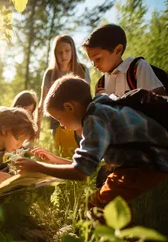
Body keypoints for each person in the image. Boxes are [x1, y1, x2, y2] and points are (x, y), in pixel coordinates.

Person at [16, 75, 168, 207]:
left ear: (69, 107)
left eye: (60, 119)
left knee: (98, 205)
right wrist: (53, 159)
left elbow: (81, 172)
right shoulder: (101, 107)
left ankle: (127, 239)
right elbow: (88, 166)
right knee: (98, 203)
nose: (61, 124)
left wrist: (37, 167)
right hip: (142, 162)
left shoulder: (94, 120)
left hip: (148, 164)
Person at [37, 35, 90, 156]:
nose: (63, 55)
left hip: (79, 120)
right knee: (65, 154)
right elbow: (42, 102)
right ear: (55, 54)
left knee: (83, 153)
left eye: (67, 51)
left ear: (73, 51)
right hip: (59, 122)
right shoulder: (50, 73)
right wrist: (37, 131)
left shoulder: (82, 69)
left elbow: (87, 97)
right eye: (59, 52)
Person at [82, 23, 165, 96]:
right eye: (91, 61)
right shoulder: (101, 84)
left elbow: (158, 102)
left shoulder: (137, 68)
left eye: (98, 59)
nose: (94, 65)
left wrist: (111, 99)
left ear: (118, 50)